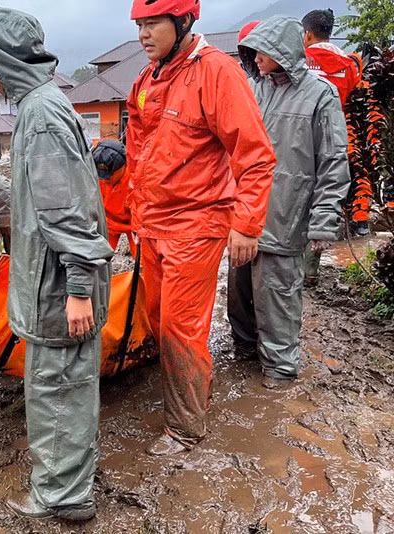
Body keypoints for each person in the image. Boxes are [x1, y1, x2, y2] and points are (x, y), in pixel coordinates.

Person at [0, 8, 113, 521]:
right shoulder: (47, 104)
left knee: (59, 390)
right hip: (54, 284)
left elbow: (68, 211)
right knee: (65, 386)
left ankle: (63, 496)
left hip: (58, 289)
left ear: (1, 61)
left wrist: (77, 287)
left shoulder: (41, 115)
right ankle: (69, 479)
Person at [127, 0, 276, 455]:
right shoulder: (147, 79)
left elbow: (255, 156)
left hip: (197, 224)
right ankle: (189, 393)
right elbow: (137, 152)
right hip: (152, 224)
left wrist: (247, 226)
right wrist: (133, 219)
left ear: (184, 21)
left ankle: (185, 429)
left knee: (179, 326)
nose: (143, 34)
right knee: (156, 318)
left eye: (153, 23)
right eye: (140, 24)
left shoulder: (217, 73)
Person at [231, 16, 351, 388]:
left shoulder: (320, 94)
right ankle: (246, 354)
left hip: (288, 214)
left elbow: (334, 159)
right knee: (239, 296)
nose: (256, 57)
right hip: (246, 215)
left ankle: (279, 371)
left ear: (283, 51)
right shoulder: (255, 89)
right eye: (253, 51)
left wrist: (323, 219)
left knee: (278, 298)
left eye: (263, 50)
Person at [301, 8, 367, 286]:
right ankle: (311, 270)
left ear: (307, 34)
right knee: (326, 201)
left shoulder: (301, 60)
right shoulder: (350, 65)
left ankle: (294, 269)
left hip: (303, 139)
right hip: (338, 140)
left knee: (299, 202)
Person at [92, 140, 136, 256]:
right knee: (99, 256)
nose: (105, 179)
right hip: (108, 222)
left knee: (143, 258)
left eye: (109, 175)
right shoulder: (94, 177)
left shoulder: (136, 179)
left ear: (124, 165)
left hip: (133, 225)